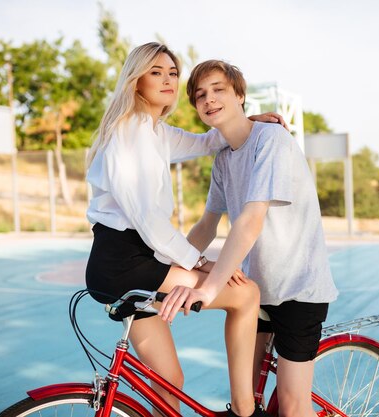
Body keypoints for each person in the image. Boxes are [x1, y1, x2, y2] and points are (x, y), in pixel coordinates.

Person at [85, 43, 281, 417]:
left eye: (173, 73)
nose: (168, 79)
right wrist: (201, 262)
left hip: (126, 261)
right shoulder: (130, 133)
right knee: (245, 295)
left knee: (168, 383)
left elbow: (208, 140)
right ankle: (245, 409)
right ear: (136, 80)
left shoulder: (155, 131)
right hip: (125, 262)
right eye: (156, 72)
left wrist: (247, 119)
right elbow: (148, 221)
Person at [159, 60, 338, 417]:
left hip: (297, 289)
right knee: (245, 406)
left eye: (218, 89)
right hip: (256, 290)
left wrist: (208, 289)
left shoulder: (271, 140)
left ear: (240, 95)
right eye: (200, 95)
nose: (209, 99)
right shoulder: (224, 157)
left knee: (290, 406)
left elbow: (250, 222)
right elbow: (207, 226)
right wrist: (164, 267)